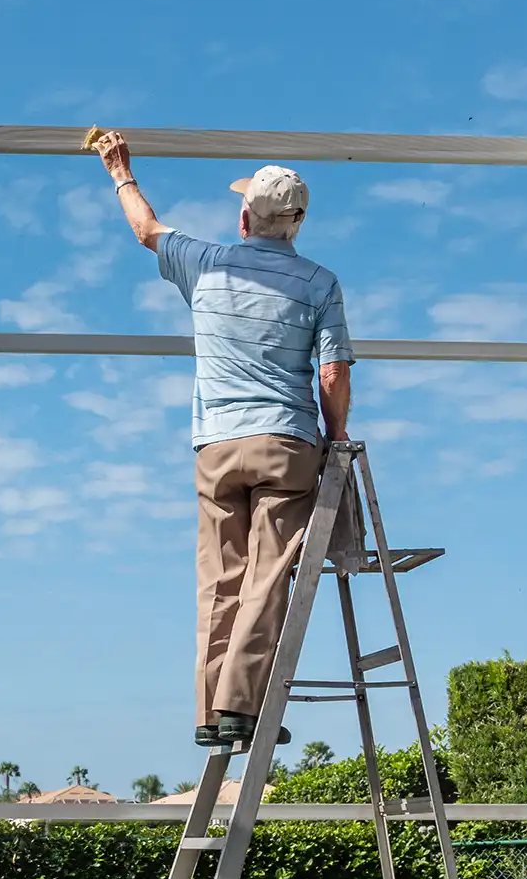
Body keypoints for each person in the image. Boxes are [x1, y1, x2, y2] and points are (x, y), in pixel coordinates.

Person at [93, 131, 353, 749]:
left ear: (245, 217)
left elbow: (146, 229)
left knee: (221, 579)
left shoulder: (207, 263)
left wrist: (119, 171)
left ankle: (211, 715)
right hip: (286, 443)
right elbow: (333, 372)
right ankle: (242, 706)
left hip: (215, 447)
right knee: (268, 578)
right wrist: (335, 437)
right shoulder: (320, 283)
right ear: (297, 225)